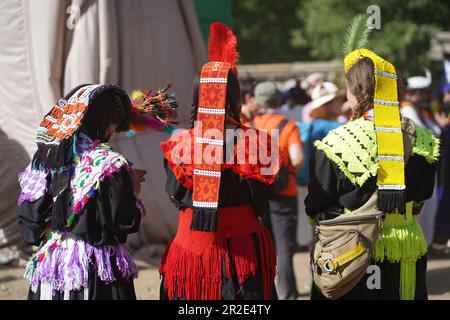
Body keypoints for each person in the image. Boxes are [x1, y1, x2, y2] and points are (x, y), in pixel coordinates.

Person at [306, 48, 440, 300]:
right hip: (406, 247)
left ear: (357, 91)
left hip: (351, 251)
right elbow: (422, 197)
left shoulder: (337, 142)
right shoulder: (424, 140)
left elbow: (316, 206)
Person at [159, 22, 277, 300]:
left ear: (198, 96)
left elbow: (175, 198)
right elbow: (262, 203)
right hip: (242, 257)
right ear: (234, 96)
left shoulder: (179, 143)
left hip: (191, 252)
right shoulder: (256, 143)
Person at [18, 84, 148, 299]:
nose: (113, 130)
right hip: (96, 271)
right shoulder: (109, 164)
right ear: (102, 121)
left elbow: (30, 222)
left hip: (54, 266)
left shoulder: (44, 160)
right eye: (112, 122)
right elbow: (122, 221)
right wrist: (130, 190)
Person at [247, 80, 304, 300]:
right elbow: (298, 157)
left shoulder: (249, 124)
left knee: (261, 249)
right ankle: (289, 294)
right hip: (285, 193)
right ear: (278, 100)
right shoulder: (288, 125)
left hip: (255, 194)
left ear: (257, 101)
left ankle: (264, 294)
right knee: (285, 249)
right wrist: (288, 170)